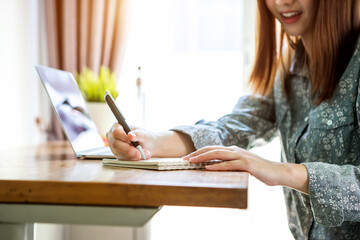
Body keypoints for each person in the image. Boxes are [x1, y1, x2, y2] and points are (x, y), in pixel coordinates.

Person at [107, 0, 360, 239]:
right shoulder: (287, 68)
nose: (282, 1)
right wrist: (149, 141)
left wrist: (282, 171)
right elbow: (236, 126)